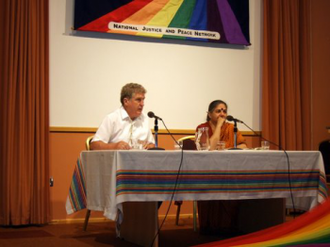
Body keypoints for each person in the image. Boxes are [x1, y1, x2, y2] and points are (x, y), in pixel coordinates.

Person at [196, 100, 247, 236]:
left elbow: (243, 146)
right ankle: (209, 226)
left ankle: (228, 226)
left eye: (224, 111)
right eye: (218, 111)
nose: (222, 114)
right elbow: (210, 148)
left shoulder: (231, 127)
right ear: (209, 114)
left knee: (237, 184)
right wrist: (218, 126)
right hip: (207, 172)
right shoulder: (202, 127)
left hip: (229, 170)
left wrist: (229, 149)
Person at [90, 83, 155, 150]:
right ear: (126, 101)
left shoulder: (144, 118)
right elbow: (94, 145)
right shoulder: (112, 118)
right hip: (116, 160)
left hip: (139, 159)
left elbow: (151, 143)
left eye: (143, 99)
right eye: (138, 100)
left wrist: (151, 146)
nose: (142, 104)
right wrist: (114, 147)